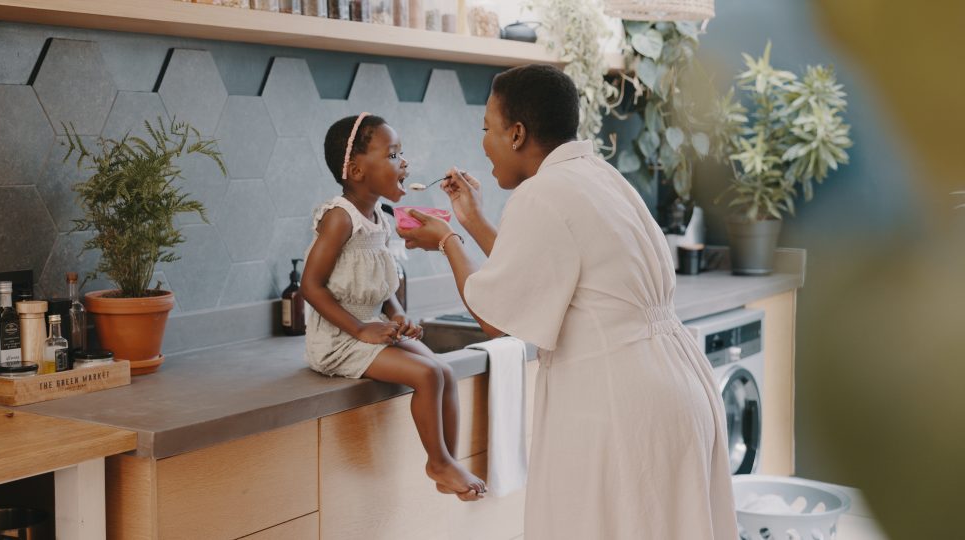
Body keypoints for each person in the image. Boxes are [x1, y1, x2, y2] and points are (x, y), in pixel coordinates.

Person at [397, 65, 739, 537]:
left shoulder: (542, 193)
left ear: (516, 133)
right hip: (676, 388)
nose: (484, 142)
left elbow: (498, 320)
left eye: (487, 129)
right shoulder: (598, 175)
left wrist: (447, 240)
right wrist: (473, 220)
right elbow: (537, 276)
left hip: (619, 403)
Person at [301, 113, 487, 501]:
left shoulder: (380, 220)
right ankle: (437, 462)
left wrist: (397, 313)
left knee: (443, 370)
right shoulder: (339, 219)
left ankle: (446, 463)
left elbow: (382, 279)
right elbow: (311, 287)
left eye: (402, 153)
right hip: (338, 340)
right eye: (393, 154)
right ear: (356, 170)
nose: (404, 162)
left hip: (369, 328)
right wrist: (360, 329)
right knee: (427, 376)